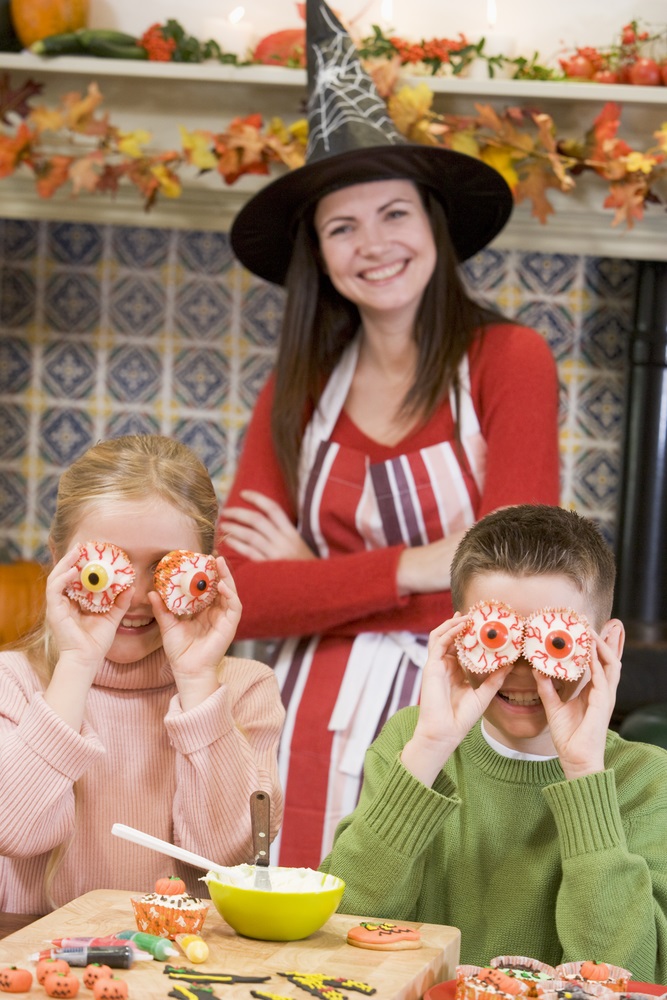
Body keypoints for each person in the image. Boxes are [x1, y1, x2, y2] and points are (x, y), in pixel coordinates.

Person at [217, 0, 560, 868]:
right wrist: (423, 564)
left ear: (434, 229)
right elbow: (243, 599)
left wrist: (313, 577)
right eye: (342, 225)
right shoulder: (296, 391)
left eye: (394, 214)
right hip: (294, 725)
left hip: (457, 728)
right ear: (320, 257)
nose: (373, 244)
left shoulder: (507, 361)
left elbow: (514, 592)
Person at [319, 504, 667, 981]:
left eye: (554, 642)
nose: (522, 670)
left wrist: (585, 771)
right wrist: (430, 749)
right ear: (459, 636)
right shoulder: (412, 741)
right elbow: (343, 929)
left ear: (609, 646)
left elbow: (630, 977)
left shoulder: (648, 780)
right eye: (496, 638)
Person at [0, 434, 285, 915]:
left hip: (180, 970)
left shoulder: (244, 690)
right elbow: (16, 829)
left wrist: (196, 680)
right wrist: (76, 664)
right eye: (105, 566)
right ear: (58, 558)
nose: (133, 597)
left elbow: (228, 855)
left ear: (209, 572)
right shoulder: (14, 682)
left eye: (164, 568)